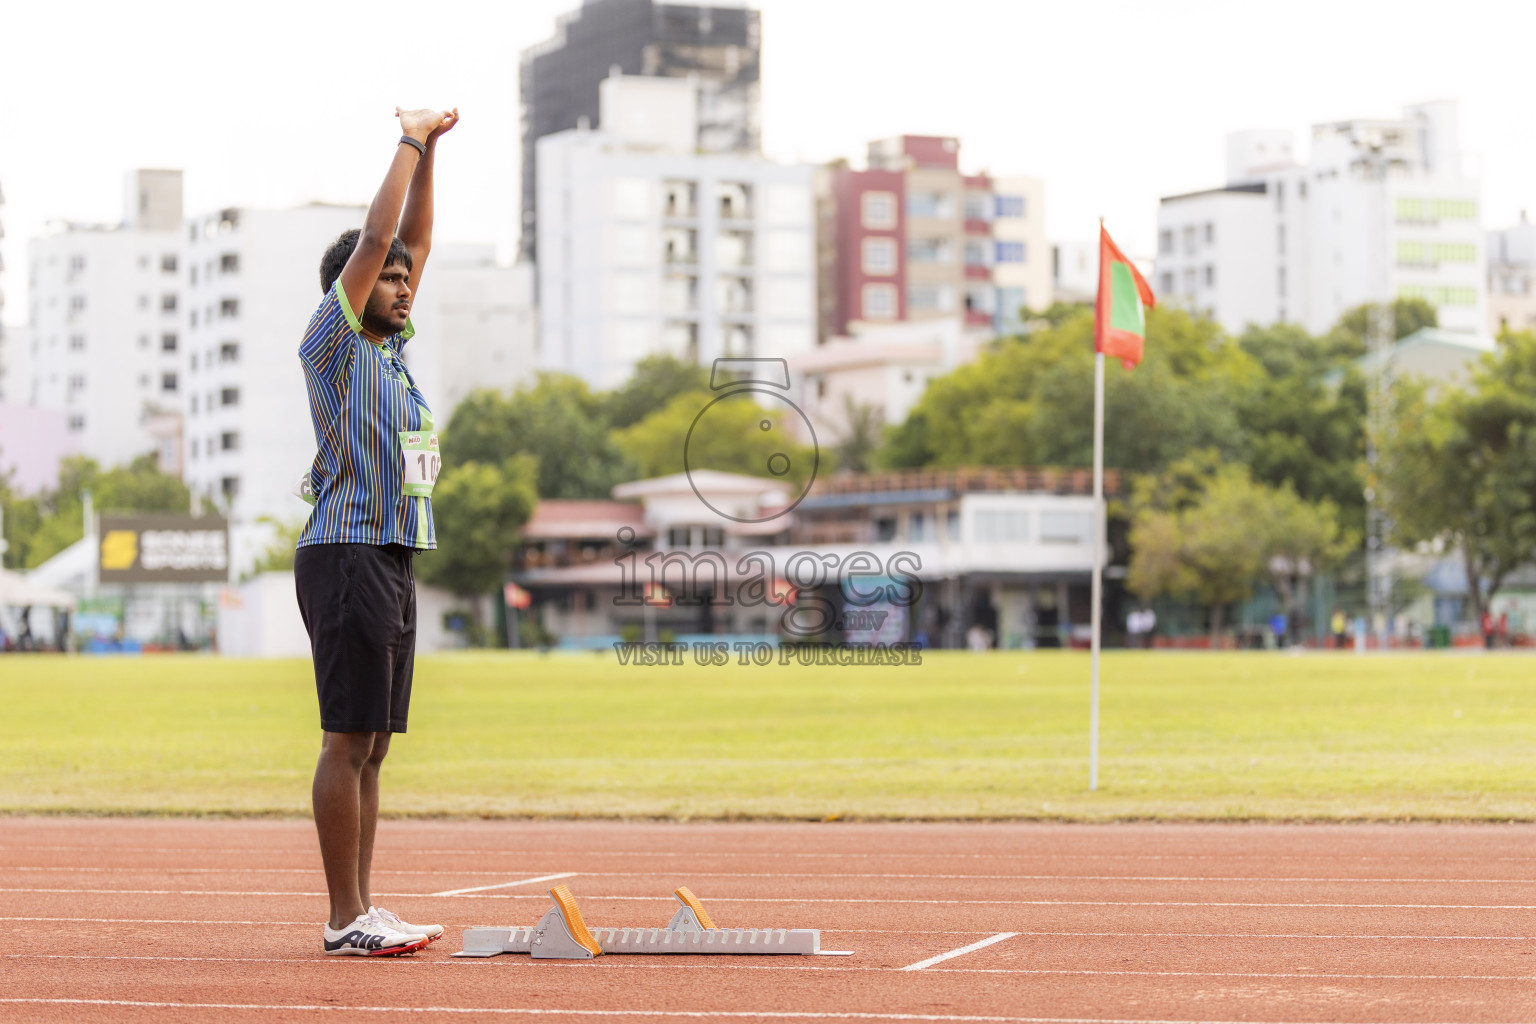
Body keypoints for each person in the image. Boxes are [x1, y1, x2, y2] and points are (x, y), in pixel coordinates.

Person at [293, 106, 458, 957]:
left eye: (403, 279)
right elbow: (381, 239)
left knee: (375, 747)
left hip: (391, 555)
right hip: (346, 550)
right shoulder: (337, 343)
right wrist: (405, 140)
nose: (401, 284)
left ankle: (363, 906)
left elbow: (414, 242)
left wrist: (432, 154)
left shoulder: (393, 355)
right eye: (387, 279)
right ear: (357, 287)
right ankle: (341, 918)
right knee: (345, 736)